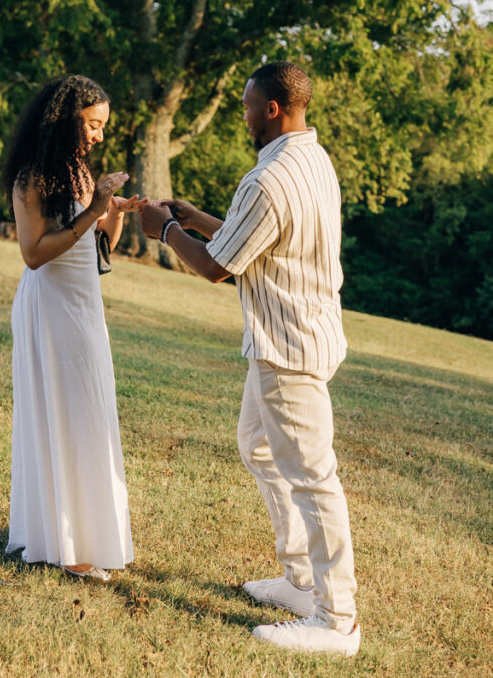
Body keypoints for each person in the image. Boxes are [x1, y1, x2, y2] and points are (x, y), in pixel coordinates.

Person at [139, 61, 360, 656]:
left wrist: (162, 231)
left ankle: (337, 621)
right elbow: (254, 237)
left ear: (271, 109)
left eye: (245, 105)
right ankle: (299, 581)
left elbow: (217, 266)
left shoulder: (266, 179)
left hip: (287, 349)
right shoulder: (312, 160)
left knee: (315, 480)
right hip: (304, 335)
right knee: (257, 447)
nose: (241, 115)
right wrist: (194, 218)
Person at [2, 74, 143, 582]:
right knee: (64, 414)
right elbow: (35, 254)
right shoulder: (32, 177)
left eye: (104, 126)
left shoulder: (80, 172)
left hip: (86, 305)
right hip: (51, 306)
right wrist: (93, 211)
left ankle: (88, 533)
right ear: (66, 119)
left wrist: (116, 213)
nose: (100, 136)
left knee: (91, 413)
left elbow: (97, 240)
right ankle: (66, 544)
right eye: (93, 124)